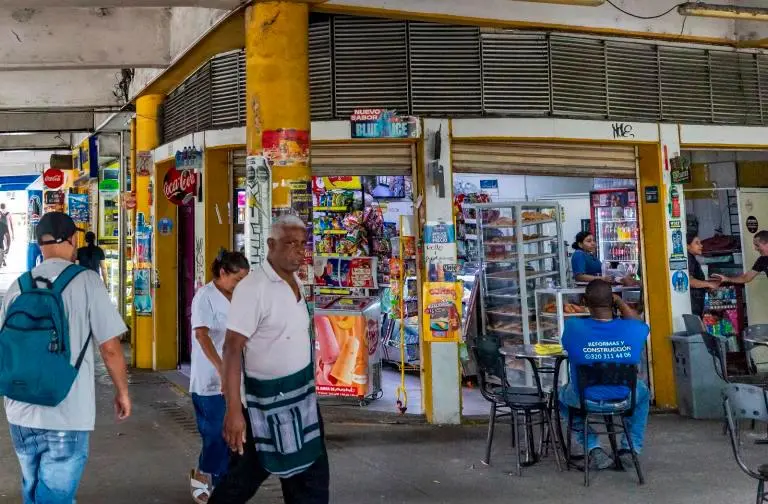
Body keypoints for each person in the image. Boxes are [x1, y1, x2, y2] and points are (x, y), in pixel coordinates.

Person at [1, 212, 130, 503]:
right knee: (55, 497)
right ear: (73, 239)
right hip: (66, 410)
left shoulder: (18, 286)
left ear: (38, 244)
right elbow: (109, 347)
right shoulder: (87, 282)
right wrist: (122, 391)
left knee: (33, 491)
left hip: (20, 410)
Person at [210, 215, 329, 504]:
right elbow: (231, 348)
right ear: (270, 245)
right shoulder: (254, 288)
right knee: (239, 483)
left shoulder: (296, 280)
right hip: (260, 408)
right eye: (290, 243)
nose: (299, 250)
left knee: (310, 483)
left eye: (303, 244)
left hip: (301, 402)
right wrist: (234, 411)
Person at [559, 279, 650, 470]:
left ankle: (593, 447)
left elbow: (565, 346)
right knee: (643, 392)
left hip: (585, 400)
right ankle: (629, 448)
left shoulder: (574, 327)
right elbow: (640, 323)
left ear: (584, 301)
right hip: (624, 399)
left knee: (560, 396)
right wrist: (620, 302)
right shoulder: (633, 329)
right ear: (613, 301)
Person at [189, 250, 249, 504]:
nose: (240, 286)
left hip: (237, 377)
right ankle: (204, 473)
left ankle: (225, 482)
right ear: (223, 273)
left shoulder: (241, 297)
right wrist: (221, 368)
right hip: (209, 380)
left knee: (234, 435)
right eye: (237, 280)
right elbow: (202, 335)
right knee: (214, 433)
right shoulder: (205, 296)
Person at [687, 233, 720, 318]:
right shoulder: (689, 259)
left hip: (696, 304)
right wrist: (708, 284)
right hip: (692, 305)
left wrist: (708, 285)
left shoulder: (693, 259)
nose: (701, 245)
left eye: (700, 242)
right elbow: (689, 281)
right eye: (697, 243)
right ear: (687, 246)